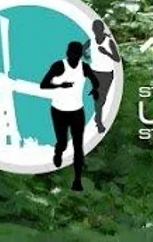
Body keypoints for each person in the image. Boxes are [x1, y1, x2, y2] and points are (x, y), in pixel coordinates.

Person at [39, 40, 90, 191]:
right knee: (63, 141)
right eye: (72, 54)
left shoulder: (84, 68)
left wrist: (96, 89)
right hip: (59, 110)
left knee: (78, 146)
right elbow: (44, 84)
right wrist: (60, 85)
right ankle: (58, 151)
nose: (74, 57)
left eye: (77, 55)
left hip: (77, 111)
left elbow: (95, 81)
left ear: (81, 55)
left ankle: (77, 180)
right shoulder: (58, 66)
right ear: (67, 53)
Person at [85, 19, 119, 134]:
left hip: (107, 73)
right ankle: (99, 122)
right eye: (95, 29)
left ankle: (97, 116)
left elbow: (117, 59)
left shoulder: (109, 42)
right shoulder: (91, 41)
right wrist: (86, 56)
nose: (96, 31)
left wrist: (106, 53)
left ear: (102, 29)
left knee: (102, 98)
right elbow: (82, 50)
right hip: (95, 72)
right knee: (98, 98)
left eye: (98, 29)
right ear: (93, 30)